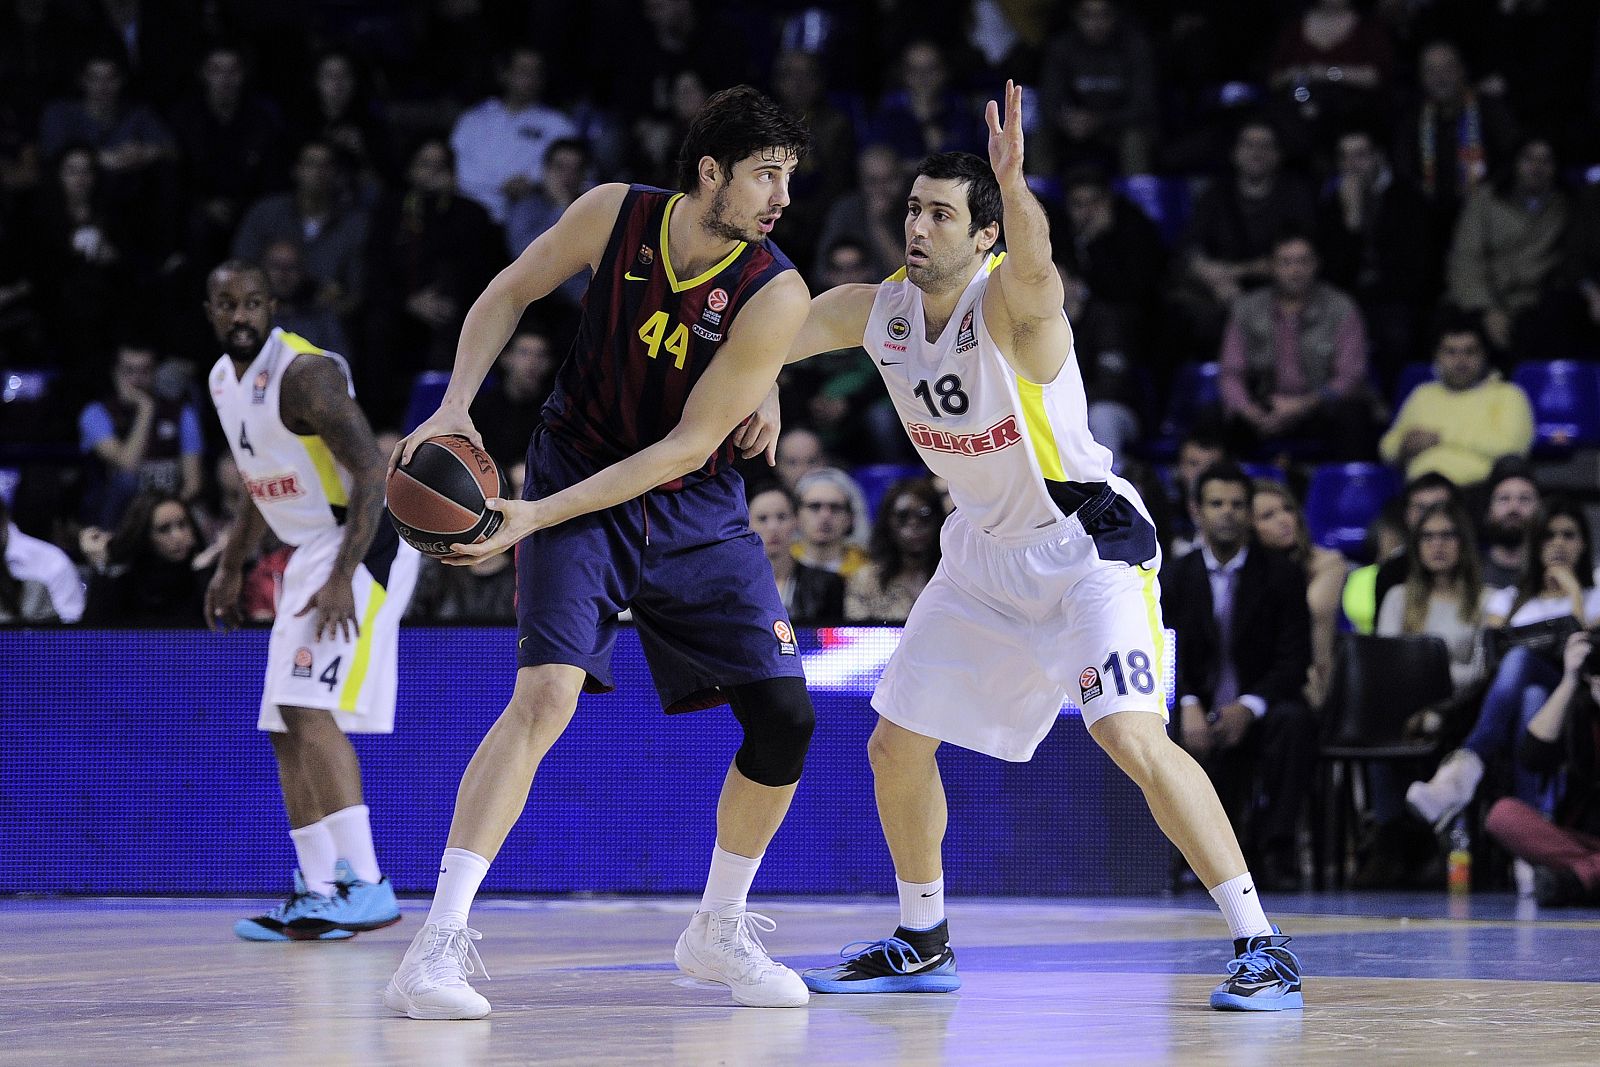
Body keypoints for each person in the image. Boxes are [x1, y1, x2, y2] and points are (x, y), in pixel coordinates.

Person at [784, 84, 1305, 1010]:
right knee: (894, 746)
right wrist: (753, 388)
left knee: (1131, 737)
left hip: (1086, 549)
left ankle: (1261, 943)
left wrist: (1014, 182)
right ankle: (923, 937)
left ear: (984, 237)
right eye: (912, 208)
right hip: (983, 553)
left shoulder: (1016, 307)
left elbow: (1040, 263)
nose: (919, 225)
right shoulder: (882, 311)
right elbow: (776, 331)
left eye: (942, 213)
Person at [383, 85, 815, 1019]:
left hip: (690, 499)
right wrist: (457, 402)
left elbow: (685, 450)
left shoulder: (776, 290)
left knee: (786, 719)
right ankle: (435, 946)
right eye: (765, 175)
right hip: (581, 461)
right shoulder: (614, 214)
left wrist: (532, 516)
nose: (782, 196)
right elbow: (509, 291)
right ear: (710, 172)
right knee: (544, 697)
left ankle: (717, 928)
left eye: (790, 177)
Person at [201, 260, 419, 944]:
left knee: (306, 704)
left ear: (273, 305)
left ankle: (366, 883)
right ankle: (318, 889)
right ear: (209, 310)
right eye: (227, 304)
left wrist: (342, 574)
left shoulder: (306, 374)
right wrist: (232, 563)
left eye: (253, 302)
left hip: (356, 544)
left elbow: (372, 473)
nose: (241, 315)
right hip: (306, 550)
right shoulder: (221, 380)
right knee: (280, 720)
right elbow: (257, 479)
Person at [1408, 500, 1600, 832]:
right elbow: (1493, 655)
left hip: (1576, 700)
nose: (1558, 544)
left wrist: (1572, 592)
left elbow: (1586, 654)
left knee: (1522, 659)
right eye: (1548, 536)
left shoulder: (1595, 595)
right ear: (1535, 546)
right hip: (1518, 700)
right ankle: (1531, 831)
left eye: (1568, 535)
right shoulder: (1508, 600)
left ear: (1583, 543)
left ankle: (1463, 770)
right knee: (1530, 695)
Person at [1485, 629, 1600, 907]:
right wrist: (1570, 680)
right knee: (1502, 815)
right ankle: (1587, 876)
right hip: (1582, 840)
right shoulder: (1583, 706)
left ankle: (1575, 882)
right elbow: (1532, 757)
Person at [1378, 317, 1532, 486]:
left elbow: (1512, 450)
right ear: (1437, 356)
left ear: (1484, 355)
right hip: (1420, 492)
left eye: (1469, 352)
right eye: (1451, 352)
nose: (1460, 360)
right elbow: (1387, 446)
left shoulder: (1508, 394)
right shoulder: (1423, 394)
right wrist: (1404, 447)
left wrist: (1441, 438)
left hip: (1478, 491)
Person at [1251, 479, 1349, 708]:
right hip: (1259, 682)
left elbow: (1309, 609)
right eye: (1268, 516)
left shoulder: (1328, 563)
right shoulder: (1246, 572)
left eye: (1287, 509)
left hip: (1312, 681)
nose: (1284, 520)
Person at [82, 489, 210, 625]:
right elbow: (93, 635)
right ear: (144, 536)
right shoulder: (126, 581)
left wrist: (202, 572)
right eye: (164, 529)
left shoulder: (204, 571)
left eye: (182, 524)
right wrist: (101, 565)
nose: (178, 536)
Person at [845, 478, 942, 623]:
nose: (913, 524)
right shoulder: (866, 580)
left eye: (924, 514)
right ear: (887, 522)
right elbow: (857, 637)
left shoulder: (956, 578)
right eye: (903, 516)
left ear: (939, 520)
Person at [748, 481, 843, 624]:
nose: (773, 527)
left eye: (781, 517)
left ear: (796, 521)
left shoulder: (827, 584)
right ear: (747, 525)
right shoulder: (733, 586)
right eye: (762, 519)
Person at [793, 466, 870, 578]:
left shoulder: (868, 572)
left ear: (851, 518)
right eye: (815, 506)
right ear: (797, 515)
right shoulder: (778, 566)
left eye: (835, 507)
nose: (825, 515)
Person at [1479, 458, 1540, 591]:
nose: (1514, 508)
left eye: (1524, 499)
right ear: (1489, 509)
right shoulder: (1469, 575)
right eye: (1504, 499)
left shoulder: (1549, 578)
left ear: (1539, 509)